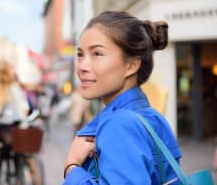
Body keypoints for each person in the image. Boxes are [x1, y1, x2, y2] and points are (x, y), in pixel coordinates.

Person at [62, 11, 181, 184]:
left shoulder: (120, 124)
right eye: (80, 55)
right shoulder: (152, 116)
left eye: (97, 54)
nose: (82, 67)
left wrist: (71, 166)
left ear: (131, 65)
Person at [0, 61, 29, 181]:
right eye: (10, 70)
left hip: (16, 122)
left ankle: (17, 172)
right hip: (3, 124)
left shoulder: (14, 86)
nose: (12, 72)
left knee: (19, 148)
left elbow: (21, 100)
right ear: (4, 72)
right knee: (7, 145)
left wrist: (25, 108)